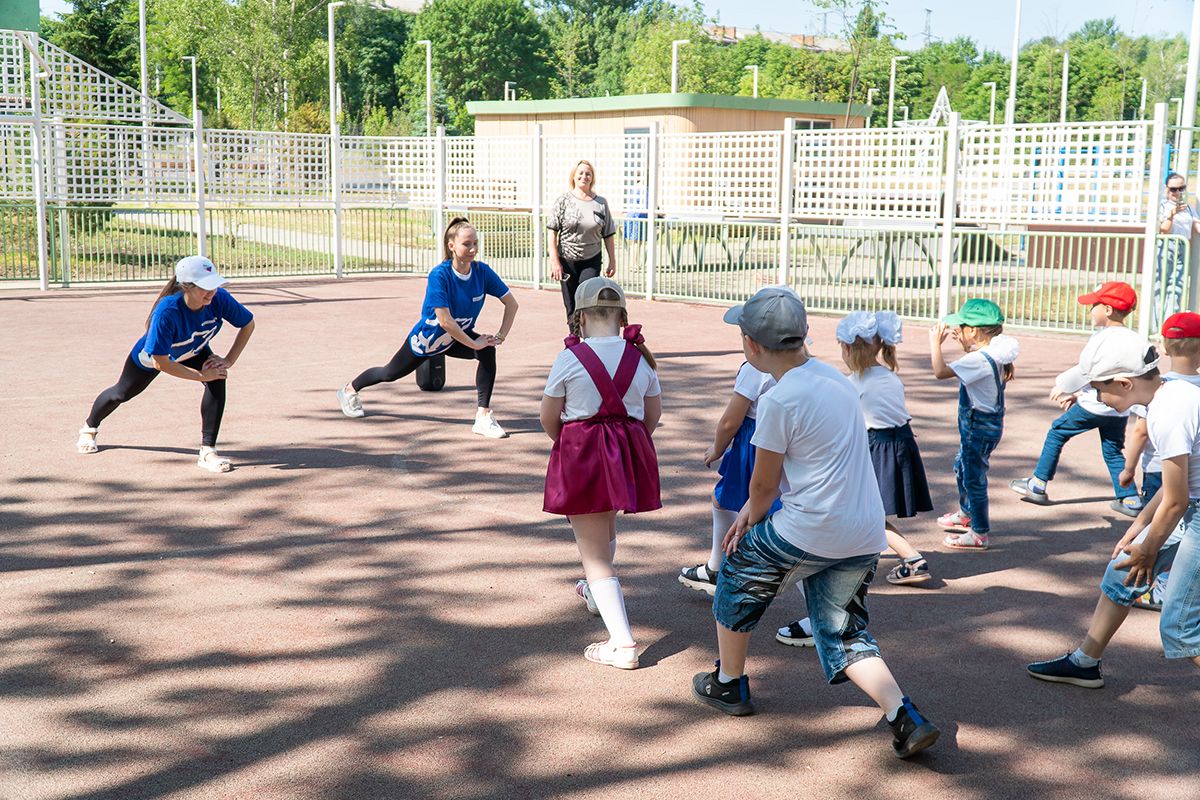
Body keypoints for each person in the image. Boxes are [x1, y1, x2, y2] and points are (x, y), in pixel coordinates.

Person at [692, 287, 940, 760]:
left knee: (738, 572)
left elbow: (763, 489)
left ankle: (728, 683)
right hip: (865, 530)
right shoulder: (835, 378)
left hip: (811, 526)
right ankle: (903, 715)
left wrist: (748, 520)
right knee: (844, 631)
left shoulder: (779, 400)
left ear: (751, 345)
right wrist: (753, 508)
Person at [1027, 326, 1200, 687]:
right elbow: (1176, 492)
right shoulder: (1169, 391)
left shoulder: (1169, 412)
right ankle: (1085, 662)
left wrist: (1148, 550)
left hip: (1194, 511)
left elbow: (1178, 500)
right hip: (1190, 507)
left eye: (1097, 388)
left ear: (1124, 383)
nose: (1095, 396)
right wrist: (1137, 530)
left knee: (1181, 628)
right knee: (1122, 570)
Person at [775, 310, 937, 650]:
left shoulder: (853, 385)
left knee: (868, 511)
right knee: (873, 512)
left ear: (850, 348)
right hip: (900, 442)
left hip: (875, 446)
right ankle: (907, 558)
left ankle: (909, 558)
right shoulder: (890, 376)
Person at [541, 277, 662, 670]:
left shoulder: (569, 359)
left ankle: (622, 643)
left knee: (593, 555)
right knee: (606, 529)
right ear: (622, 315)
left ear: (579, 317)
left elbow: (548, 417)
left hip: (584, 451)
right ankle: (597, 596)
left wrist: (571, 443)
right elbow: (652, 414)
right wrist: (626, 443)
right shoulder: (639, 356)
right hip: (626, 448)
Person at [336, 217, 519, 438]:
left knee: (488, 351)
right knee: (389, 373)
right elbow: (445, 321)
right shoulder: (439, 275)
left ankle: (483, 416)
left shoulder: (482, 272)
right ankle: (349, 390)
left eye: (475, 243)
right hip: (428, 340)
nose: (473, 249)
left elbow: (511, 303)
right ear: (452, 246)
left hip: (456, 337)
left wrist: (500, 335)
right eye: (467, 244)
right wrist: (473, 342)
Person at [76, 255, 256, 473]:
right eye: (204, 287)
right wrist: (201, 376)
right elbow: (161, 362)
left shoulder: (219, 299)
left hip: (193, 349)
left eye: (214, 286)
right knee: (121, 393)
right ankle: (89, 427)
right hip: (155, 357)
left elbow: (248, 324)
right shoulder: (167, 311)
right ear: (186, 286)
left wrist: (228, 361)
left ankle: (208, 451)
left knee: (217, 378)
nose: (211, 292)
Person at [1009, 282, 1142, 517]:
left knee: (1057, 431)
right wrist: (1080, 392)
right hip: (1119, 409)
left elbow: (1087, 369)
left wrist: (1064, 386)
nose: (1090, 310)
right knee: (1112, 451)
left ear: (1108, 310)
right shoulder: (1135, 339)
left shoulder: (1101, 338)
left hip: (1094, 405)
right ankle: (1130, 498)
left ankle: (1038, 484)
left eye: (1094, 305)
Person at [1118, 312, 1200, 611]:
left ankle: (1161, 586)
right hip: (1181, 484)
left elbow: (1140, 430)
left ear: (1164, 347)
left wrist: (1128, 467)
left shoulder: (1162, 392)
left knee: (1165, 540)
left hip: (1165, 476)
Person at [677, 360, 780, 596]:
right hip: (766, 438)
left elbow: (730, 421)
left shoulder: (755, 368)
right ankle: (715, 568)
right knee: (721, 498)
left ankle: (823, 613)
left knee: (777, 521)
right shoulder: (798, 363)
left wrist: (717, 448)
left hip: (754, 443)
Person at [929, 299, 1019, 551]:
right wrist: (965, 346)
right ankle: (967, 513)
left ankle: (979, 532)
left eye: (962, 326)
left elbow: (939, 371)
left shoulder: (978, 359)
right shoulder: (994, 353)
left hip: (977, 426)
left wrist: (935, 344)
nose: (957, 331)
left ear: (974, 331)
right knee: (963, 467)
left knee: (973, 477)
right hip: (985, 425)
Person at [548, 160, 618, 322]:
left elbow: (608, 234)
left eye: (588, 173)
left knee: (587, 299)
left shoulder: (600, 203)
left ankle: (588, 338)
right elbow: (552, 232)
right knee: (571, 303)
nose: (584, 176)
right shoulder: (563, 201)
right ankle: (574, 340)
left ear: (592, 178)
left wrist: (612, 261)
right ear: (574, 176)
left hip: (591, 259)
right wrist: (554, 262)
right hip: (566, 260)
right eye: (580, 173)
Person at [1156, 173, 1200, 328]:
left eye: (1181, 188)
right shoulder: (1162, 205)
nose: (1178, 193)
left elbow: (1197, 227)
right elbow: (1164, 230)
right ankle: (1158, 325)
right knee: (1161, 286)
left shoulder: (1189, 208)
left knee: (1176, 287)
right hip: (1167, 246)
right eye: (1174, 189)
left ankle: (1170, 325)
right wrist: (1172, 214)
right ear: (1167, 189)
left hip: (1183, 248)